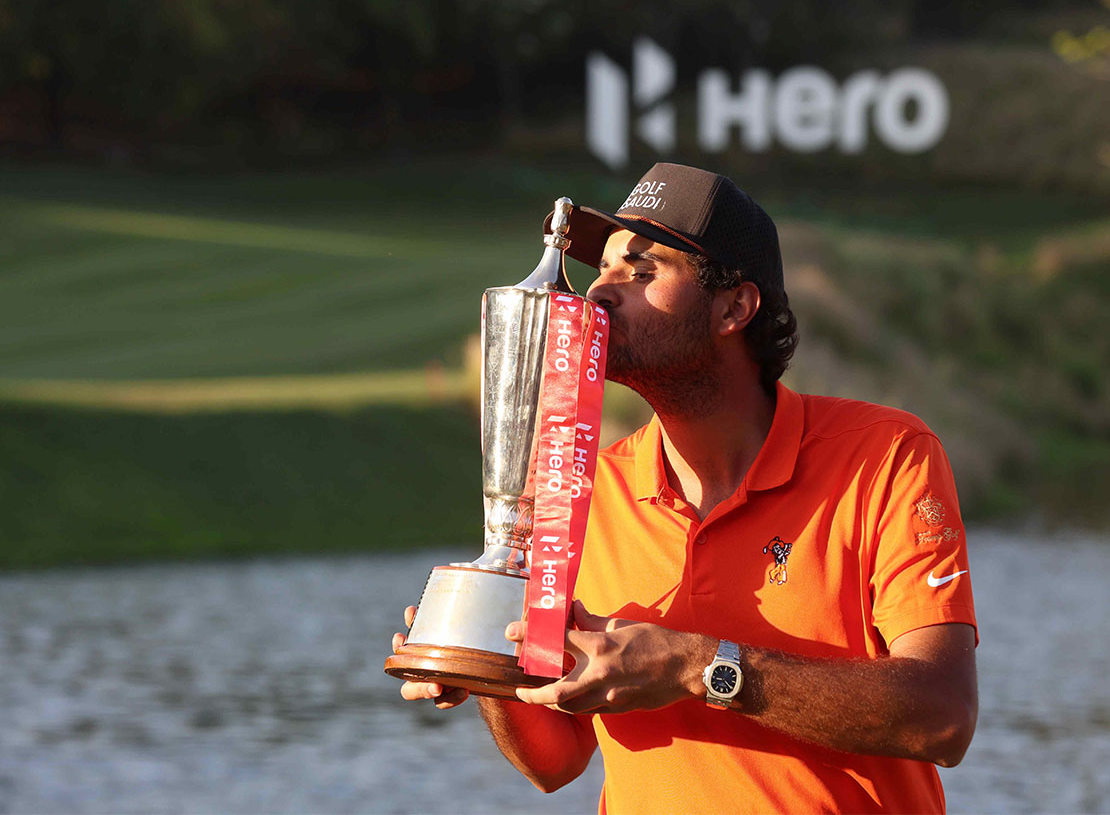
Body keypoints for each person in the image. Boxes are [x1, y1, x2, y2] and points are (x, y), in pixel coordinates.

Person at [393, 163, 978, 814]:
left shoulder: (886, 455)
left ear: (735, 307)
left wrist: (697, 667)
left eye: (642, 273)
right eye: (603, 271)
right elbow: (555, 762)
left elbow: (943, 718)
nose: (599, 296)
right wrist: (488, 663)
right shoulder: (582, 486)